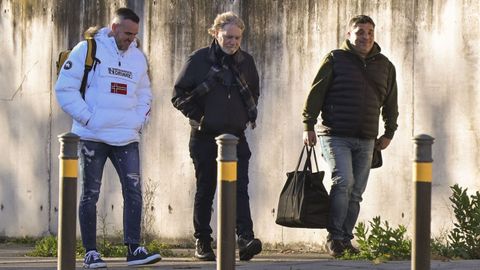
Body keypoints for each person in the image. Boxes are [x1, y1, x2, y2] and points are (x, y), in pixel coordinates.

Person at [55, 7, 161, 268]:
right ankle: (91, 253)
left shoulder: (138, 58)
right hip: (92, 135)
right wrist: (89, 119)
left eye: (135, 34)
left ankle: (134, 249)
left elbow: (145, 93)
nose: (131, 38)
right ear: (113, 28)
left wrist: (139, 120)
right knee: (90, 194)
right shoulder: (87, 49)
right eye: (127, 33)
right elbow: (65, 88)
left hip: (127, 136)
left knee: (133, 192)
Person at [302, 15, 399, 257]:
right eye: (359, 32)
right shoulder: (335, 59)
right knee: (343, 181)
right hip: (335, 135)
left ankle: (345, 239)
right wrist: (308, 125)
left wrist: (389, 132)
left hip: (367, 138)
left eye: (369, 32)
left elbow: (391, 103)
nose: (365, 36)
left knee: (356, 191)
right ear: (349, 34)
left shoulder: (385, 66)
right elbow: (316, 93)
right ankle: (334, 237)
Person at [172, 11, 262, 262]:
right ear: (215, 33)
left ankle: (245, 238)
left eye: (237, 38)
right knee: (206, 188)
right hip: (205, 136)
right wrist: (202, 119)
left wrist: (244, 117)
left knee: (240, 188)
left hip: (235, 137)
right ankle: (202, 240)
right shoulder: (199, 59)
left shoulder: (247, 62)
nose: (232, 42)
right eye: (227, 37)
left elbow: (254, 93)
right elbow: (178, 95)